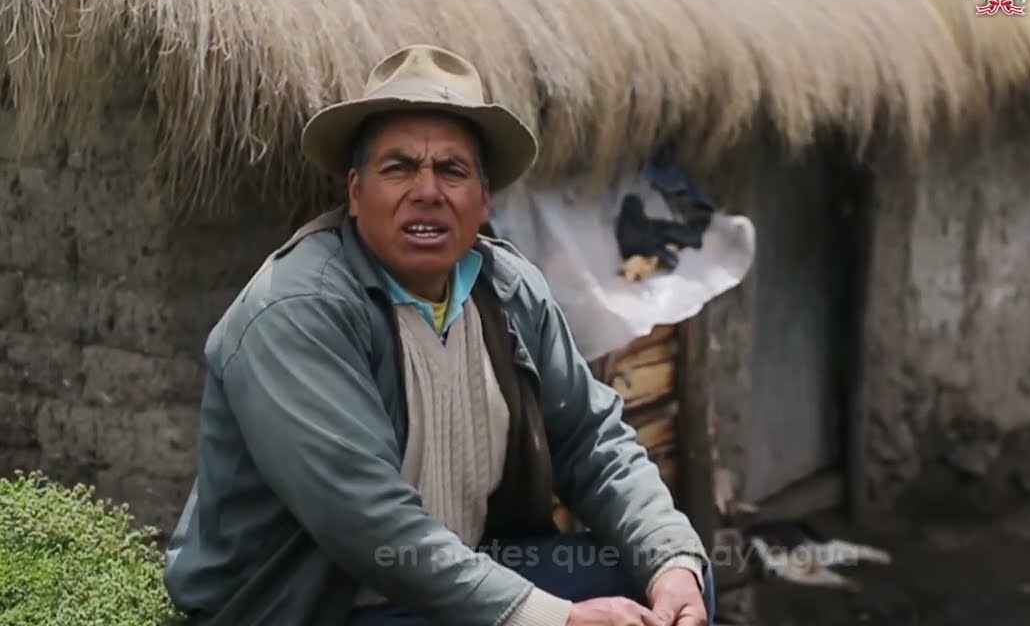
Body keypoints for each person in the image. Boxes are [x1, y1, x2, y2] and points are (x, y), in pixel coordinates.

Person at [163, 45, 713, 626]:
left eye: (451, 170)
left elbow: (590, 439)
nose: (427, 190)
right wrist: (558, 619)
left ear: (483, 201)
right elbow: (371, 524)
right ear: (355, 193)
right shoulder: (298, 309)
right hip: (320, 602)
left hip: (459, 575)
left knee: (671, 590)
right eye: (398, 167)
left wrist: (670, 559)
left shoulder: (507, 289)